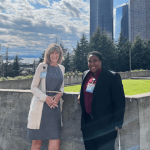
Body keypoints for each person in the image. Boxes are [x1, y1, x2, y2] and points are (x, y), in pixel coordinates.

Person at [78, 51, 125, 150]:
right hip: (88, 125)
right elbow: (84, 90)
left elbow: (119, 101)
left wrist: (117, 124)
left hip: (106, 126)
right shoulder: (85, 74)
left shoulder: (112, 76)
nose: (92, 63)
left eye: (95, 61)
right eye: (89, 61)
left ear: (101, 61)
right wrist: (80, 95)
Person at [27, 44, 65, 150]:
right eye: (52, 53)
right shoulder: (42, 67)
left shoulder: (62, 68)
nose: (54, 55)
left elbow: (61, 87)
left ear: (60, 55)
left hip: (55, 108)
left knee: (55, 141)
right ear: (48, 55)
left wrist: (60, 94)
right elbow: (33, 87)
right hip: (41, 107)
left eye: (57, 53)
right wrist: (46, 98)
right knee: (37, 143)